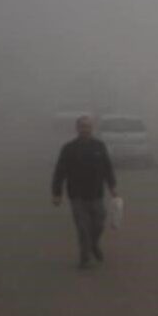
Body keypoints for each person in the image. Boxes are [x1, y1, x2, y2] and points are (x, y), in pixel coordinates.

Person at [52, 115, 117, 268]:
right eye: (82, 126)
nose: (85, 129)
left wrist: (112, 187)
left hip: (96, 195)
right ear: (77, 128)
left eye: (87, 127)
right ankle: (84, 256)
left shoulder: (99, 146)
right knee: (83, 228)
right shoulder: (69, 148)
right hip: (77, 196)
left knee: (99, 224)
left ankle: (94, 244)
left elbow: (107, 168)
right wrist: (57, 193)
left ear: (92, 129)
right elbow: (60, 172)